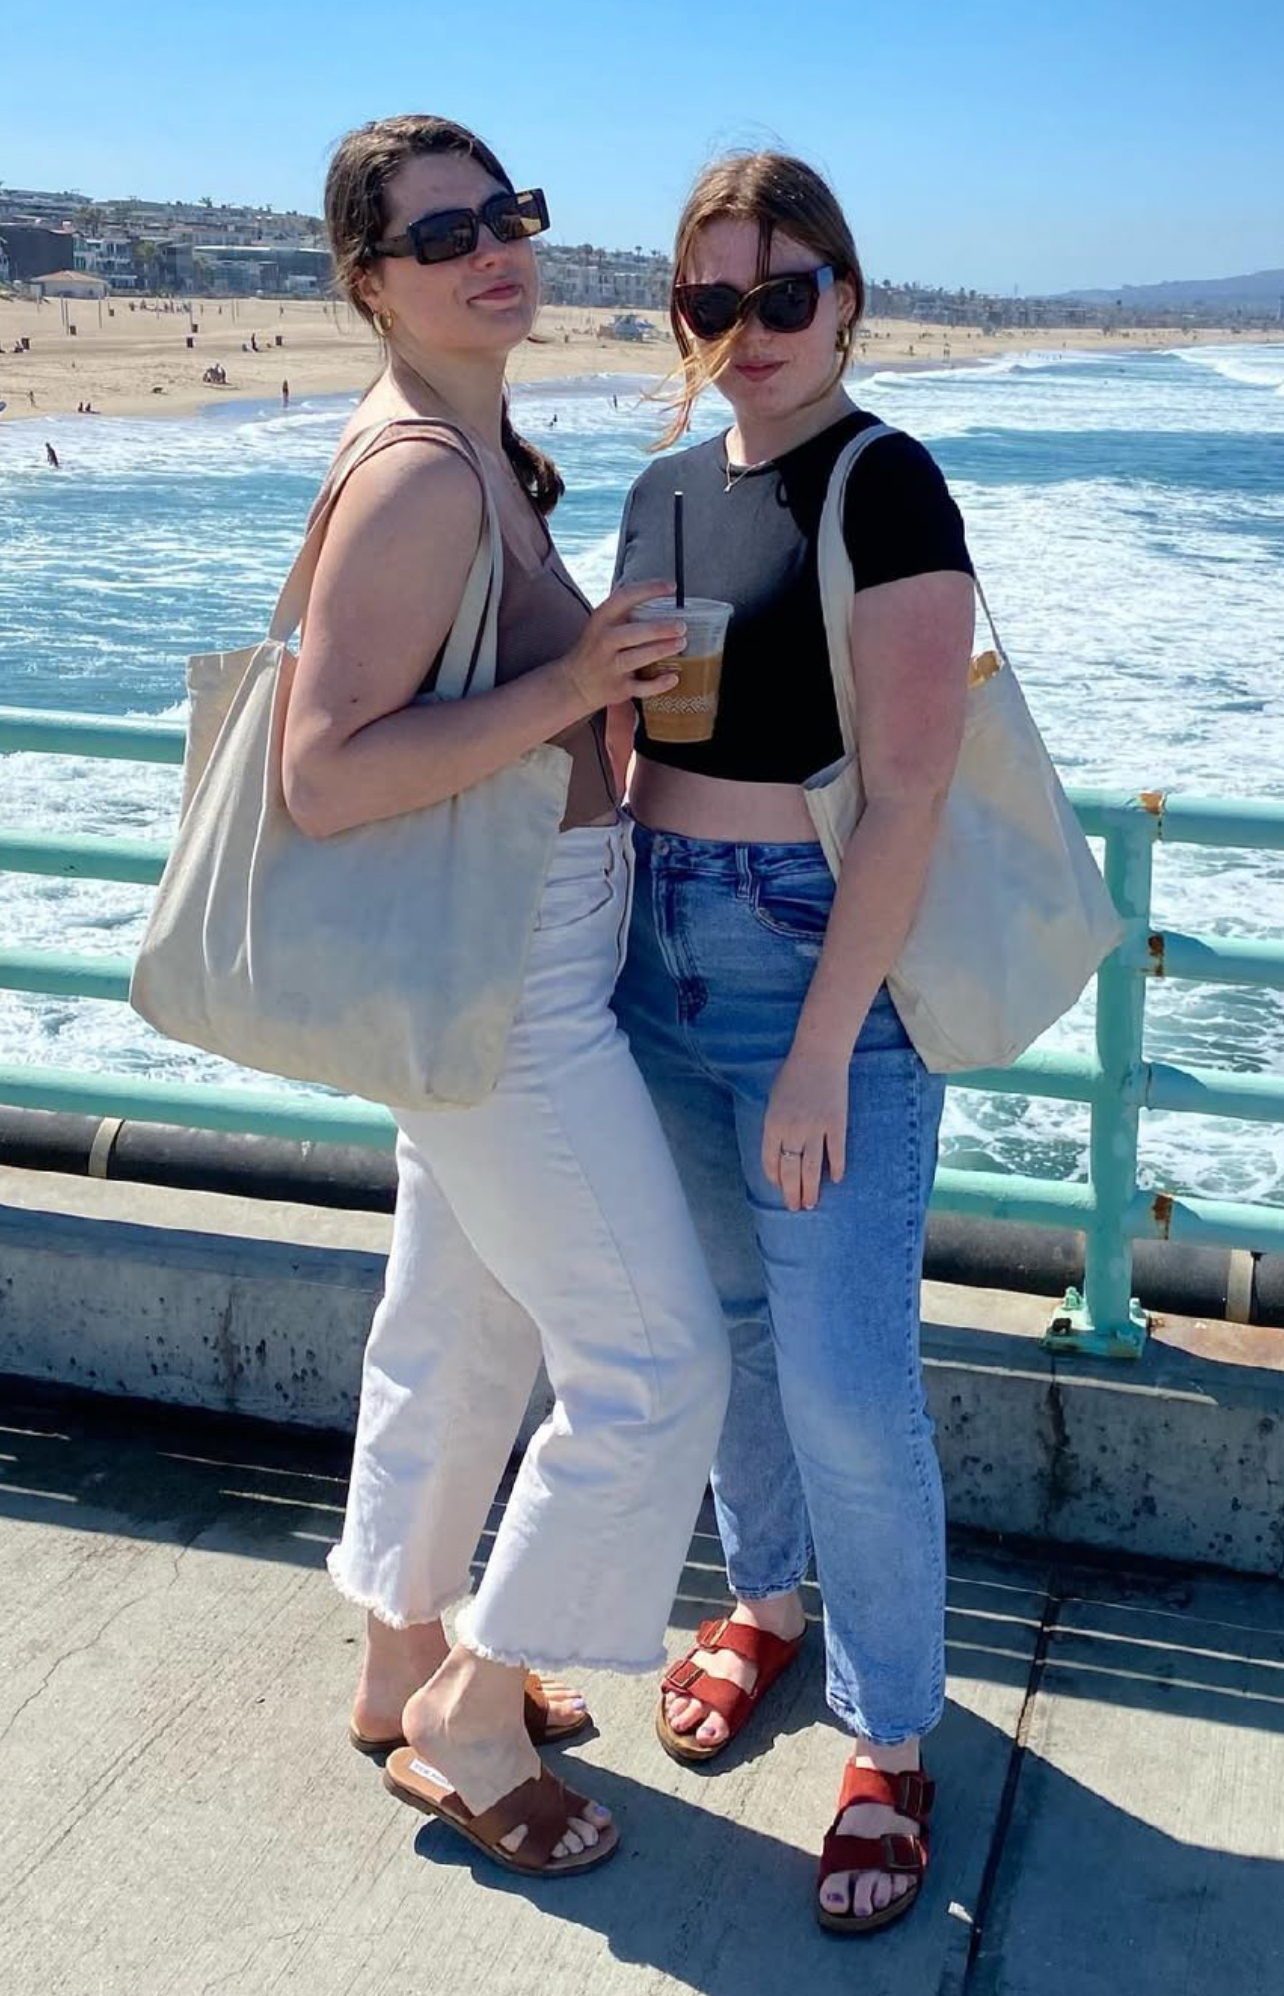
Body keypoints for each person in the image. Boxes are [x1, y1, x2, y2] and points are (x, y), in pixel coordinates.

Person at [294, 113, 729, 1881]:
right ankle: (474, 1717)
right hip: (511, 980)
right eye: (442, 234)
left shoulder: (474, 449)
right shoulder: (419, 473)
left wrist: (593, 674)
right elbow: (324, 773)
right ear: (371, 280)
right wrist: (575, 684)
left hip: (494, 961)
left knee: (462, 1331)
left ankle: (400, 1664)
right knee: (659, 1365)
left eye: (508, 215)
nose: (493, 250)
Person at [612, 151, 975, 1935]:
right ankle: (764, 1602)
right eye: (712, 298)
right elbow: (620, 741)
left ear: (845, 297)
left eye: (782, 293)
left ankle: (890, 1737)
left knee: (844, 1379)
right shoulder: (662, 492)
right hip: (647, 955)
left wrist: (828, 1047)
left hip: (813, 965)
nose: (746, 329)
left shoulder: (885, 481)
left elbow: (908, 797)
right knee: (727, 1335)